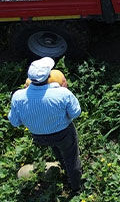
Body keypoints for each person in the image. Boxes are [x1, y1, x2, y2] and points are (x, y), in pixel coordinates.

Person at [8, 57, 83, 193]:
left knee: (56, 148)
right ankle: (76, 188)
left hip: (39, 137)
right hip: (63, 133)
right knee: (72, 158)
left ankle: (64, 168)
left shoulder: (18, 97)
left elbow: (14, 122)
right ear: (50, 75)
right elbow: (76, 113)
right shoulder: (62, 93)